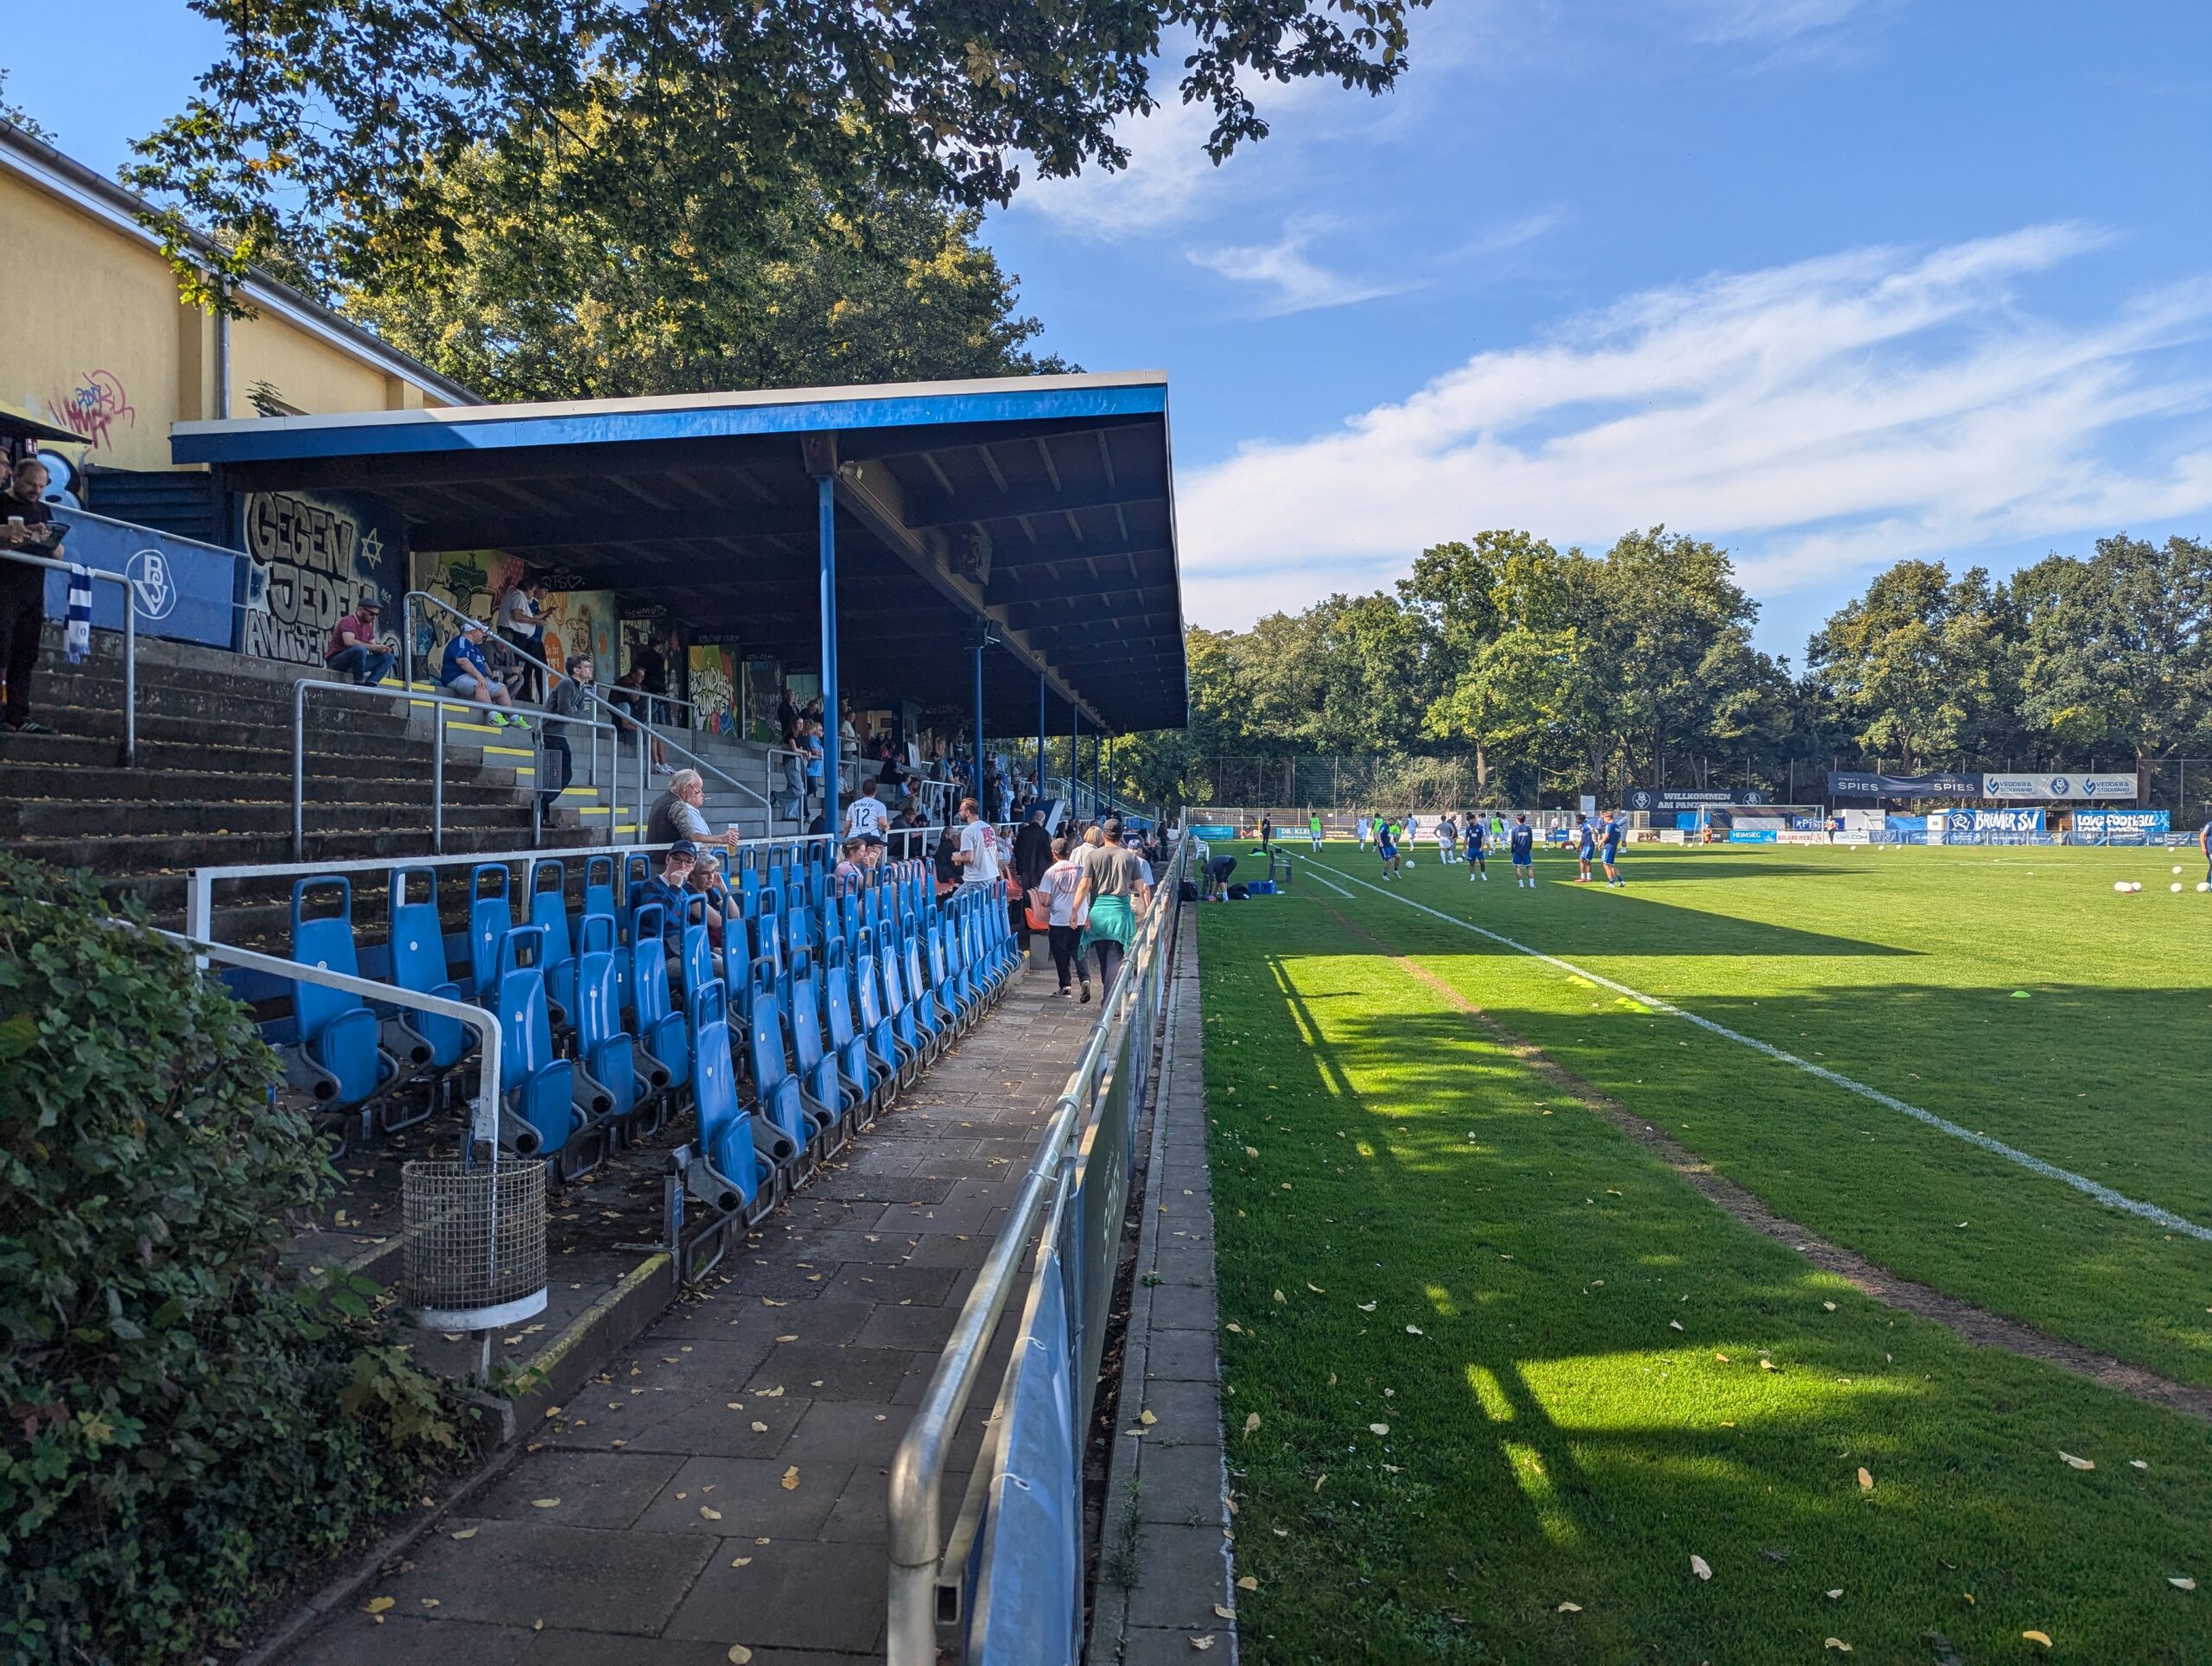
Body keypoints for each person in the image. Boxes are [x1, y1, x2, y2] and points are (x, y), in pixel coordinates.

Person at [0, 457, 60, 735]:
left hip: (33, 589)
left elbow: (58, 552)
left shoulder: (42, 510)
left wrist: (50, 541)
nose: (36, 491)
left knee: (25, 654)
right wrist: (15, 534)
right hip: (5, 585)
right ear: (15, 478)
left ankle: (18, 715)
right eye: (31, 485)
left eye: (41, 486)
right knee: (2, 647)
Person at [1071, 816, 1150, 992]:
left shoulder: (1092, 856)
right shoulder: (1130, 858)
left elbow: (1084, 886)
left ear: (1103, 836)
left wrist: (1074, 911)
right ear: (1121, 835)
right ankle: (1108, 1000)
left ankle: (1108, 995)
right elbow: (1138, 887)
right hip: (1119, 913)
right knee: (1114, 959)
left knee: (1102, 957)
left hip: (1098, 912)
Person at [538, 653, 597, 813]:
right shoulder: (566, 684)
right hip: (548, 733)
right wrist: (574, 711)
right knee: (554, 775)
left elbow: (580, 712)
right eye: (586, 666)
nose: (590, 669)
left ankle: (542, 805)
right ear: (576, 670)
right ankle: (540, 806)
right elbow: (565, 710)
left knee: (564, 774)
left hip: (559, 734)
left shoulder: (582, 689)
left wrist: (574, 711)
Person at [441, 619, 527, 728]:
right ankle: (493, 716)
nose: (484, 634)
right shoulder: (460, 641)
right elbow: (462, 661)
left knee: (500, 688)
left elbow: (484, 663)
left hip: (473, 677)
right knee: (480, 685)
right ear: (473, 631)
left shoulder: (475, 647)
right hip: (456, 677)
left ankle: (514, 718)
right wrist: (479, 677)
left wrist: (491, 676)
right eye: (481, 631)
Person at [1034, 836, 1090, 1000]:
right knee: (1079, 952)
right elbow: (1089, 890)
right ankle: (1085, 980)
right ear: (1069, 852)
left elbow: (1044, 900)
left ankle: (1065, 987)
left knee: (1060, 954)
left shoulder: (1050, 872)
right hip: (1079, 916)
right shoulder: (1081, 869)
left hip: (1059, 919)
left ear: (1054, 854)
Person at [645, 768, 739, 852]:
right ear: (686, 787)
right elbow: (692, 836)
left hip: (654, 859)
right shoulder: (678, 805)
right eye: (697, 791)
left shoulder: (661, 799)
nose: (698, 794)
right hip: (668, 863)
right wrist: (721, 839)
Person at [324, 596, 397, 688]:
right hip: (337, 661)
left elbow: (373, 646)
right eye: (371, 614)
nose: (374, 617)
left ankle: (370, 684)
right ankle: (359, 682)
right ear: (361, 610)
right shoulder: (348, 621)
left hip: (356, 664)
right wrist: (372, 647)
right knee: (360, 650)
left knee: (389, 657)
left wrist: (383, 649)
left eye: (376, 615)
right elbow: (349, 642)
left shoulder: (368, 627)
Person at [496, 580, 549, 703]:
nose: (534, 593)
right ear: (528, 589)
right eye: (533, 591)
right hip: (514, 635)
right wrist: (535, 622)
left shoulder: (517, 596)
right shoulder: (518, 595)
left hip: (516, 634)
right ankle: (519, 694)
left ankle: (519, 693)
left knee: (518, 664)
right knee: (516, 663)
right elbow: (517, 616)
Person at [952, 796, 1001, 888]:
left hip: (976, 879)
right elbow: (995, 853)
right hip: (991, 875)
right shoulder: (989, 828)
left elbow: (969, 857)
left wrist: (957, 857)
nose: (959, 812)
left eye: (961, 810)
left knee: (962, 901)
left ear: (967, 813)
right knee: (959, 898)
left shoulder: (968, 831)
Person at [843, 778, 889, 842]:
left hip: (853, 839)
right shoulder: (880, 805)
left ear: (862, 791)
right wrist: (886, 828)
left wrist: (844, 840)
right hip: (871, 838)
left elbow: (847, 827)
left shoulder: (852, 805)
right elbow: (883, 823)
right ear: (875, 791)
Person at [1510, 813, 1536, 888]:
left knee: (1518, 867)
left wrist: (1512, 851)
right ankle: (1532, 884)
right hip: (1526, 851)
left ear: (1517, 820)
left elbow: (1513, 842)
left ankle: (1521, 885)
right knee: (1529, 867)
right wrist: (1529, 849)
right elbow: (1531, 840)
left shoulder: (1514, 829)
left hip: (1517, 851)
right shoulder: (1528, 829)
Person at [1602, 811, 1626, 887]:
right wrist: (1614, 844)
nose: (1604, 820)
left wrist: (1600, 844)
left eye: (1604, 818)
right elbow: (1619, 839)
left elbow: (1606, 836)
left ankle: (1611, 883)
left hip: (1608, 847)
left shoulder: (1609, 826)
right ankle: (1621, 881)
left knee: (1606, 865)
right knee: (1611, 865)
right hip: (1613, 847)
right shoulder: (1616, 826)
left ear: (1608, 818)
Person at [1376, 815, 1400, 881]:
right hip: (1384, 846)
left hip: (1389, 845)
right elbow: (1378, 833)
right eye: (1394, 823)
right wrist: (1380, 842)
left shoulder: (1388, 826)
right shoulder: (1384, 826)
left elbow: (1387, 835)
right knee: (1389, 861)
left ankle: (1395, 871)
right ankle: (1384, 876)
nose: (1394, 824)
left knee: (1398, 857)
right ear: (1391, 820)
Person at [1466, 814, 1488, 881]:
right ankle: (1472, 876)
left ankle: (1483, 875)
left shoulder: (1480, 828)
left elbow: (1483, 837)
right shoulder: (1468, 828)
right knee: (1472, 862)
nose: (1468, 822)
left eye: (1469, 821)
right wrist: (1464, 846)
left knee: (1482, 862)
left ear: (1473, 819)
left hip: (1479, 848)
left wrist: (1482, 847)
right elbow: (1466, 838)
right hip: (1471, 848)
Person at [1575, 815, 1596, 883]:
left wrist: (1596, 840)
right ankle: (1583, 877)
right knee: (1581, 860)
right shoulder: (1582, 827)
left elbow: (1593, 831)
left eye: (1577, 819)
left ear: (1581, 820)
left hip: (1589, 845)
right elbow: (1583, 838)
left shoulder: (1587, 825)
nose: (1576, 821)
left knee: (1587, 861)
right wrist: (1579, 847)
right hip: (1585, 846)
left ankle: (1589, 878)